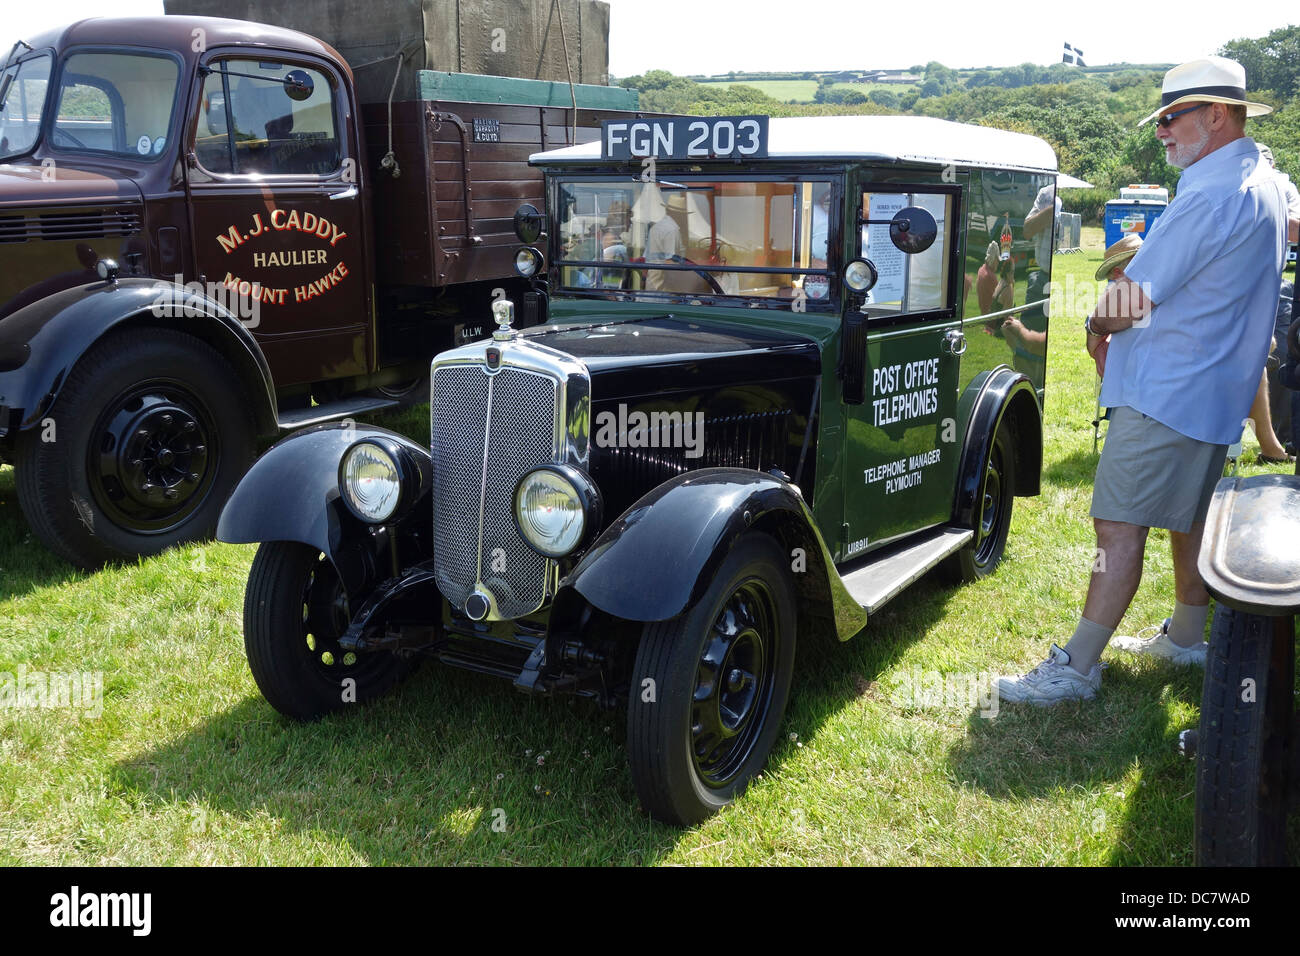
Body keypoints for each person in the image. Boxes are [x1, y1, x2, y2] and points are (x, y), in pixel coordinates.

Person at [997, 56, 1289, 704]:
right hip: (1211, 391)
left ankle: (1077, 668)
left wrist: (1094, 324)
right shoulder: (1263, 180)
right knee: (1186, 519)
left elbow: (1129, 300)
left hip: (1169, 390)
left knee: (1117, 526)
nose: (1161, 131)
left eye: (1171, 117)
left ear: (1217, 114)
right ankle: (1187, 638)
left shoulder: (1211, 193)